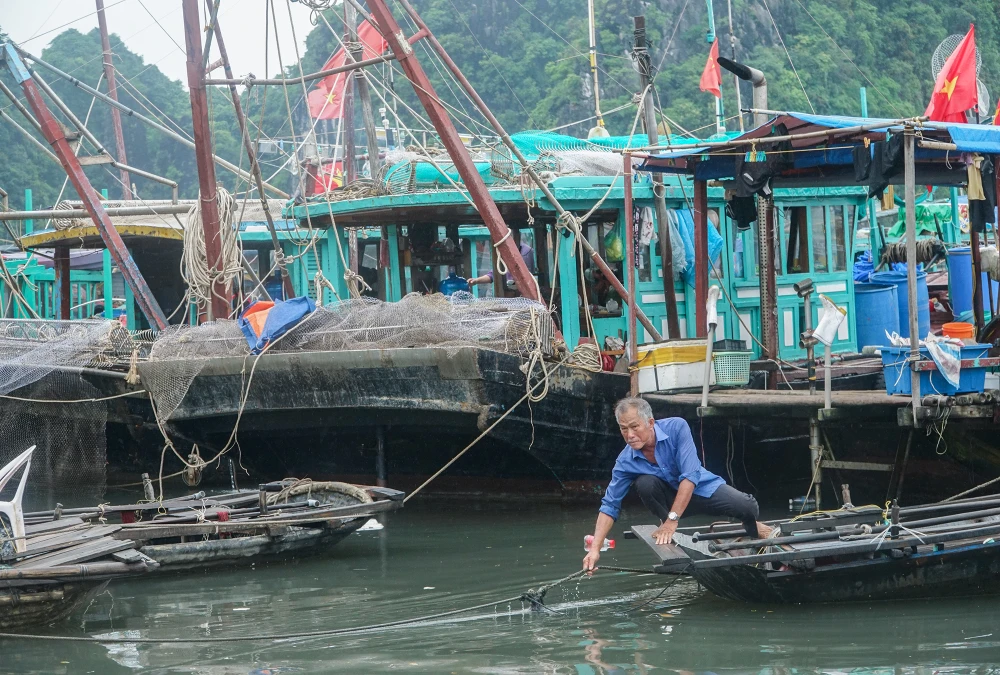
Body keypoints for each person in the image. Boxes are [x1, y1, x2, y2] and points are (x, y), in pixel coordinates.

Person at [583, 397, 768, 573]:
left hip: (701, 489)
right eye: (623, 429)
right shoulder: (625, 461)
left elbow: (690, 476)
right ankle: (665, 526)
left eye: (635, 427)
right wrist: (595, 549)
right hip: (670, 502)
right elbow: (610, 505)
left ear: (650, 423)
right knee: (645, 483)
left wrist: (673, 521)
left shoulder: (677, 427)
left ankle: (751, 526)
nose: (630, 435)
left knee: (748, 507)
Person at [467, 229, 535, 290]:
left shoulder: (526, 252)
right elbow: (493, 275)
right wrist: (476, 281)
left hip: (524, 290)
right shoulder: (503, 251)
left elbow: (528, 275)